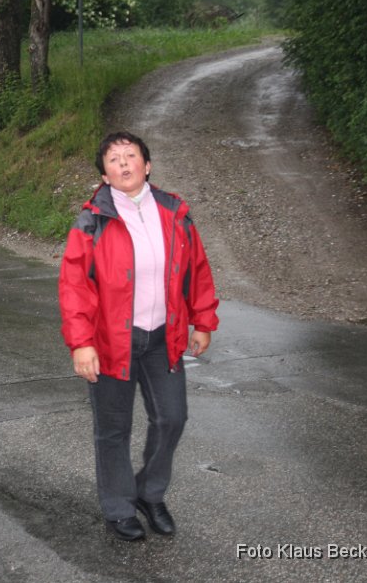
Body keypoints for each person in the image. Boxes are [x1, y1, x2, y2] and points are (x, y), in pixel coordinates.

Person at [58, 131, 219, 541]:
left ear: (147, 165)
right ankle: (118, 507)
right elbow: (74, 285)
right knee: (112, 430)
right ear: (105, 174)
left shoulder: (174, 211)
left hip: (163, 337)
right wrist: (82, 343)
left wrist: (203, 320)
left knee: (172, 417)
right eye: (114, 159)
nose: (124, 164)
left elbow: (196, 269)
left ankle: (150, 492)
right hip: (110, 341)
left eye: (131, 156)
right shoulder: (92, 220)